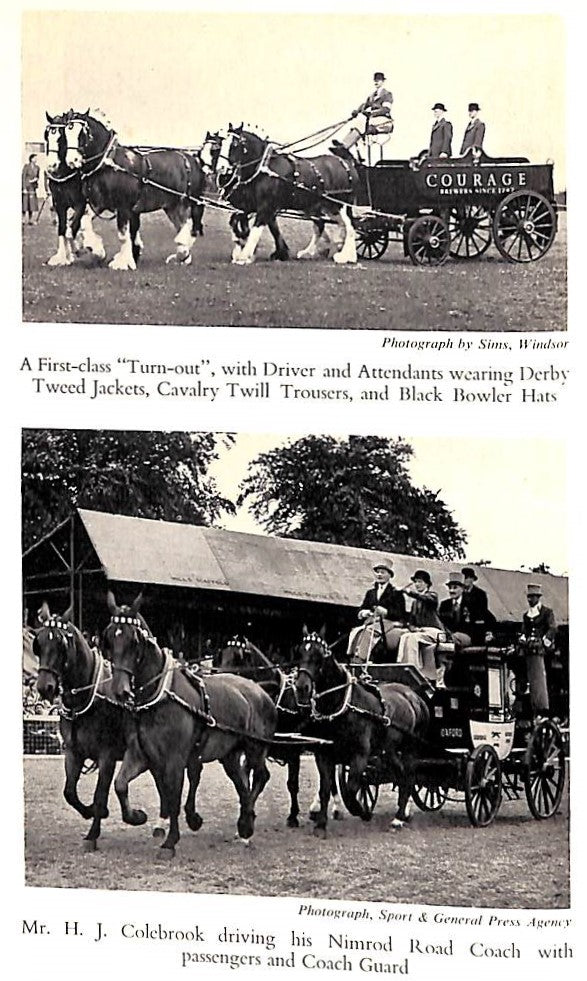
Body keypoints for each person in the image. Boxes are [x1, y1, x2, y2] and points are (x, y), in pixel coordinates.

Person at [347, 560, 406, 662]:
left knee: (370, 632)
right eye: (377, 572)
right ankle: (352, 655)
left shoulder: (396, 593)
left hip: (390, 622)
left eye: (383, 572)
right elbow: (362, 607)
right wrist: (364, 612)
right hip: (372, 621)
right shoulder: (371, 593)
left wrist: (385, 612)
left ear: (389, 575)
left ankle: (360, 659)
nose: (379, 575)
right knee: (356, 631)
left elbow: (400, 613)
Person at [397, 570, 446, 686]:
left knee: (413, 639)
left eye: (420, 582)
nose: (417, 584)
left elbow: (427, 599)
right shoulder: (414, 603)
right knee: (405, 637)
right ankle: (403, 667)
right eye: (416, 582)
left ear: (427, 584)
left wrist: (409, 592)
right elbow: (412, 623)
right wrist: (413, 628)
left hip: (436, 632)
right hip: (422, 632)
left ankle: (415, 671)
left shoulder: (432, 595)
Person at [517, 584, 556, 719]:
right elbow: (524, 630)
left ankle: (543, 707)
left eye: (533, 597)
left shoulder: (547, 612)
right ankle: (526, 693)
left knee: (542, 677)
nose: (530, 599)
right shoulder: (526, 615)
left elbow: (552, 628)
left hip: (543, 650)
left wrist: (545, 641)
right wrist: (523, 638)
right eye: (529, 597)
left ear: (538, 598)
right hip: (530, 648)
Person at [331, 72, 394, 154]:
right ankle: (344, 146)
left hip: (384, 121)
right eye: (375, 80)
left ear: (383, 81)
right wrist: (356, 111)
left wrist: (371, 113)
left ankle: (345, 146)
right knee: (358, 124)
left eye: (378, 80)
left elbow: (386, 109)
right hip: (372, 120)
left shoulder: (387, 94)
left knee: (361, 123)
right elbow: (364, 105)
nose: (376, 82)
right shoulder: (372, 96)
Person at [461, 567, 496, 644]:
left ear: (472, 579)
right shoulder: (460, 593)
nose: (465, 580)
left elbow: (482, 610)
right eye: (464, 578)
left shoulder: (480, 594)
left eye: (467, 578)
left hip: (478, 622)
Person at [438, 574, 473, 649]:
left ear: (463, 588)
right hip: (447, 635)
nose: (451, 591)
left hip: (467, 636)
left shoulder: (471, 603)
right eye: (450, 588)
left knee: (452, 638)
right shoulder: (444, 604)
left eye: (455, 588)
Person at [22, 153, 40, 224]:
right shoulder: (26, 166)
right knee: (25, 203)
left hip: (33, 187)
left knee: (31, 204)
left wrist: (35, 180)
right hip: (26, 186)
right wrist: (24, 188)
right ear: (31, 159)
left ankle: (30, 219)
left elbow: (37, 177)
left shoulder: (37, 167)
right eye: (35, 158)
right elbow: (23, 177)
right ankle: (23, 219)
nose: (36, 159)